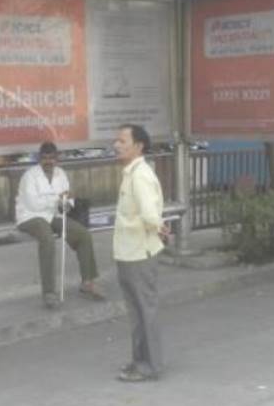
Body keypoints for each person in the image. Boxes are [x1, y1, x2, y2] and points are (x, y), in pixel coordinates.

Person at [15, 141, 104, 309]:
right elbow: (34, 204)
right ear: (39, 158)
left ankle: (87, 282)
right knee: (47, 239)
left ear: (57, 159)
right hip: (30, 217)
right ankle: (49, 292)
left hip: (53, 215)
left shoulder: (61, 174)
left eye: (51, 158)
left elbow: (67, 199)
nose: (48, 161)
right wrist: (58, 200)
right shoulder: (29, 176)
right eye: (44, 158)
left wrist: (67, 203)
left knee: (83, 234)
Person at [112, 123, 168, 381]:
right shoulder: (130, 173)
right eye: (117, 141)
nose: (117, 145)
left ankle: (150, 366)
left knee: (145, 311)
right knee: (136, 313)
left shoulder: (141, 175)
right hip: (128, 252)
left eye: (123, 141)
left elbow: (149, 214)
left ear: (138, 146)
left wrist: (158, 227)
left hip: (139, 253)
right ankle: (139, 362)